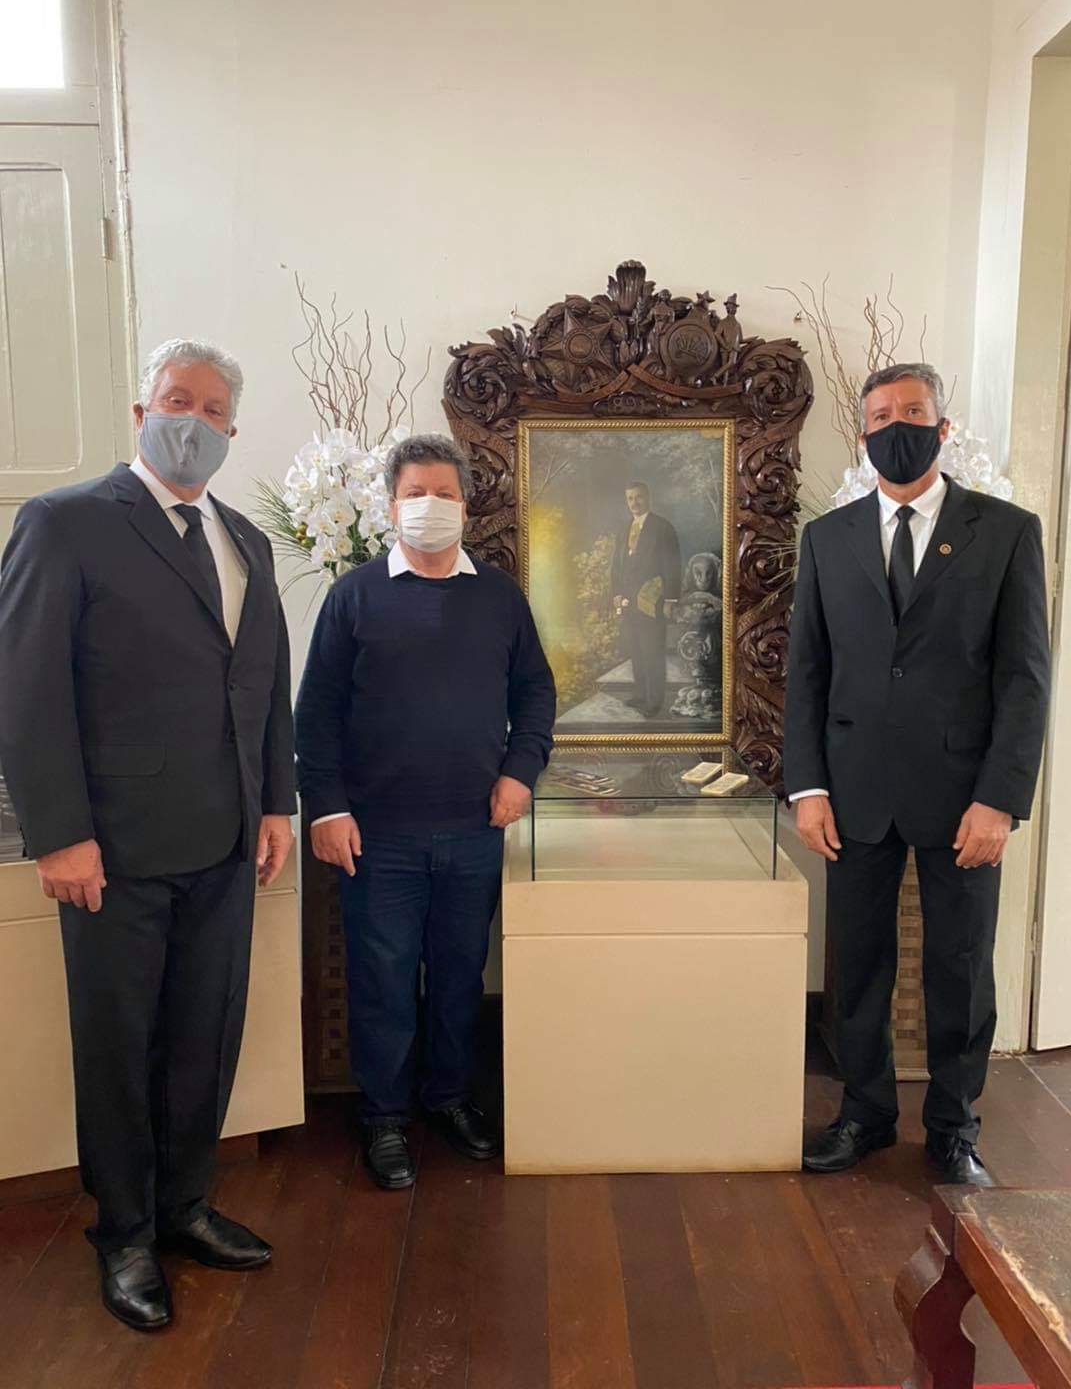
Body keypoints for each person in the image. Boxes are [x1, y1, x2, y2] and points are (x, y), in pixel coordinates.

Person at [0, 340, 296, 1330]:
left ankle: (185, 1206)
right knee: (120, 1044)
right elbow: (25, 689)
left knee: (204, 1036)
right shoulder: (66, 523)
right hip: (114, 853)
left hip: (226, 843)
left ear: (232, 430)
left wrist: (277, 803)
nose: (193, 421)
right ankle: (124, 1233)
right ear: (141, 413)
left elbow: (263, 687)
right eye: (178, 400)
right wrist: (58, 834)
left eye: (213, 410)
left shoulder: (246, 541)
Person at [785, 362, 1050, 1186]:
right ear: (863, 433)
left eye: (912, 410)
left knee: (960, 969)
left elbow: (1024, 678)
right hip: (853, 793)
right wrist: (808, 787)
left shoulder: (1005, 531)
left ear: (942, 426)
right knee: (859, 966)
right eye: (880, 415)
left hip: (964, 797)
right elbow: (807, 671)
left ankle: (953, 1128)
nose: (895, 425)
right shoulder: (827, 538)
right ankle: (863, 1115)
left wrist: (1000, 799)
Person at [294, 434, 555, 1190]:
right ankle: (383, 1117)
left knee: (459, 976)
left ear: (466, 508)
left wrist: (520, 772)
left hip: (475, 828)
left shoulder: (499, 597)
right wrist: (326, 809)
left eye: (445, 494)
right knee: (381, 979)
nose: (430, 506)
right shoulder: (354, 597)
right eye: (416, 494)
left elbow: (535, 693)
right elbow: (316, 715)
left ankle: (448, 1098)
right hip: (378, 836)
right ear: (389, 505)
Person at [610, 482, 682, 717]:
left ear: (648, 497)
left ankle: (654, 701)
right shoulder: (624, 529)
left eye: (639, 497)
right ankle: (641, 694)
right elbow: (617, 566)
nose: (635, 502)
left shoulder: (663, 528)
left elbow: (672, 565)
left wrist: (671, 600)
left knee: (652, 650)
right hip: (628, 601)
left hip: (652, 599)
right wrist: (617, 594)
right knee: (636, 650)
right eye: (630, 498)